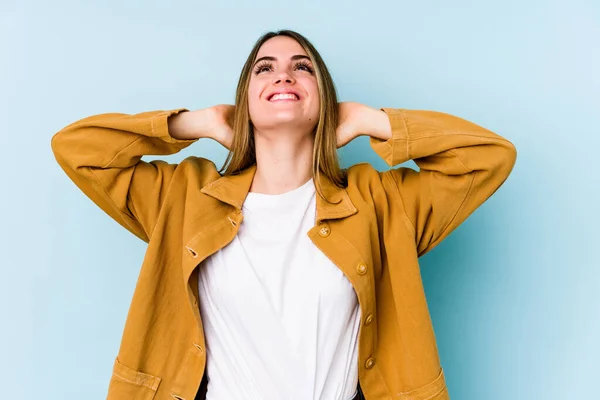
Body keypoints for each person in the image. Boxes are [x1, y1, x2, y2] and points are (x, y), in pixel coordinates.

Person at [51, 29, 517, 400]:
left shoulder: (380, 202)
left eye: (302, 67)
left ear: (323, 96)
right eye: (264, 68)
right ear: (245, 98)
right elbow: (77, 149)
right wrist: (193, 123)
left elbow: (489, 158)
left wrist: (369, 120)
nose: (283, 76)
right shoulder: (185, 196)